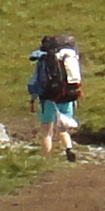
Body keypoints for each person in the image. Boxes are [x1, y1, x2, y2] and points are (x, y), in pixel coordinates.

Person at [28, 32, 83, 162]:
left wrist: (33, 96)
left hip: (48, 97)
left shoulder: (44, 59)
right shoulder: (68, 56)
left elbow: (36, 81)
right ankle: (69, 148)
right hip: (67, 94)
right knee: (63, 127)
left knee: (47, 129)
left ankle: (47, 158)